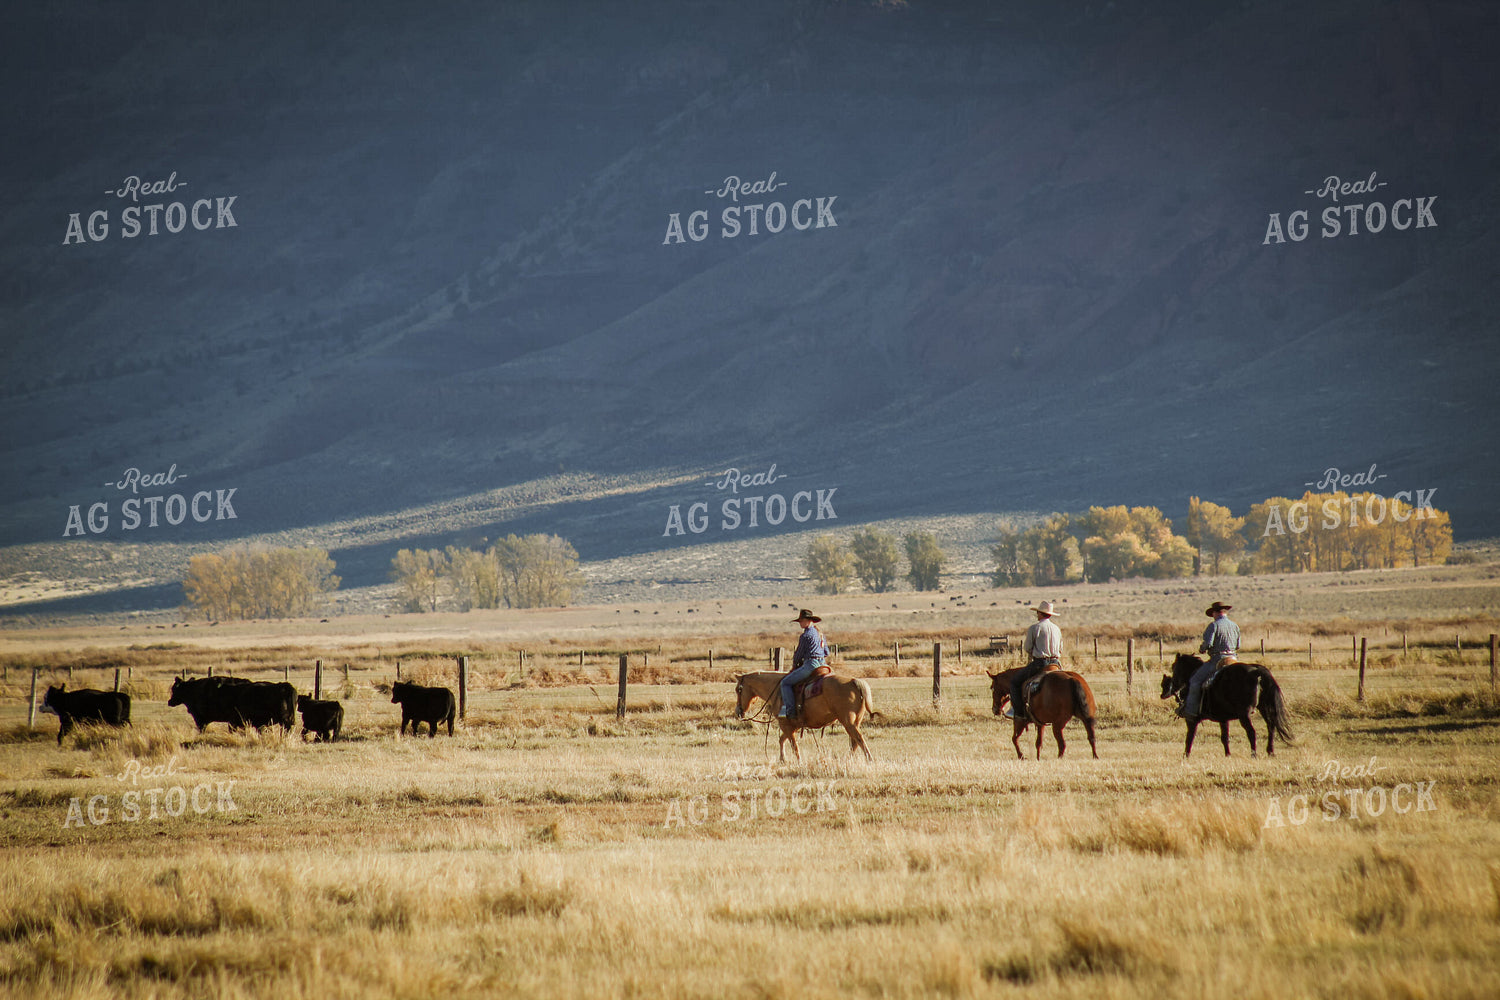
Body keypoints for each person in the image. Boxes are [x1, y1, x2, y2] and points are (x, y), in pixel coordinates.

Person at [1179, 601, 1240, 720]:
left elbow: (1208, 643)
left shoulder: (1214, 625)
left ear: (1215, 613)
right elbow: (1238, 645)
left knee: (1195, 681)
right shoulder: (1235, 626)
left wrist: (1202, 649)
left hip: (1218, 659)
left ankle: (1191, 711)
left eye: (1213, 613)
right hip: (1233, 659)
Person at [1008, 601, 1062, 721]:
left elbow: (1027, 648)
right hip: (1055, 663)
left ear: (1040, 613)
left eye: (1037, 612)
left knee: (1015, 682)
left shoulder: (1035, 628)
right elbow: (1061, 649)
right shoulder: (1057, 629)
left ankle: (1018, 712)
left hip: (1040, 664)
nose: (1037, 614)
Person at [779, 609, 829, 720]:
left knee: (785, 683)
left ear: (808, 621)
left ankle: (790, 711)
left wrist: (795, 665)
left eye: (801, 621)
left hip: (811, 664)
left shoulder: (805, 636)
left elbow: (798, 655)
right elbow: (826, 652)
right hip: (823, 664)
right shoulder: (820, 634)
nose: (800, 623)